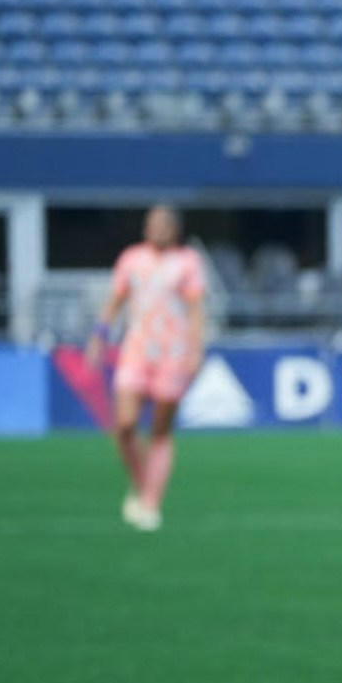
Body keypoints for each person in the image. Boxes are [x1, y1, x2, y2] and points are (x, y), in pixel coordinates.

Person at [83, 205, 206, 532]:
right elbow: (115, 301)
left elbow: (195, 311)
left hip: (173, 355)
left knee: (160, 431)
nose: (158, 229)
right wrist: (98, 336)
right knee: (124, 426)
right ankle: (143, 486)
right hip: (136, 352)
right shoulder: (131, 259)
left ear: (175, 229)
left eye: (164, 224)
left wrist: (196, 351)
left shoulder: (187, 263)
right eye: (153, 223)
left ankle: (151, 502)